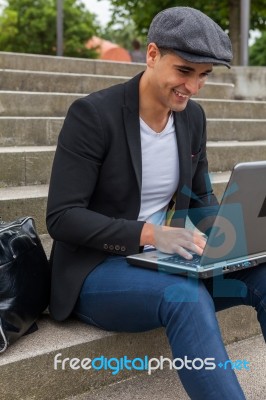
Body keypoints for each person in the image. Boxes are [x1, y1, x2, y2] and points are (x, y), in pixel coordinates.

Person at [46, 7, 266, 400]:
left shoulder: (191, 119)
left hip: (164, 260)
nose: (194, 87)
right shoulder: (93, 116)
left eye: (204, 76)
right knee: (186, 296)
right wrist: (150, 233)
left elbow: (200, 200)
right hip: (95, 271)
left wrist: (244, 236)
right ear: (151, 55)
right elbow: (62, 218)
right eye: (184, 71)